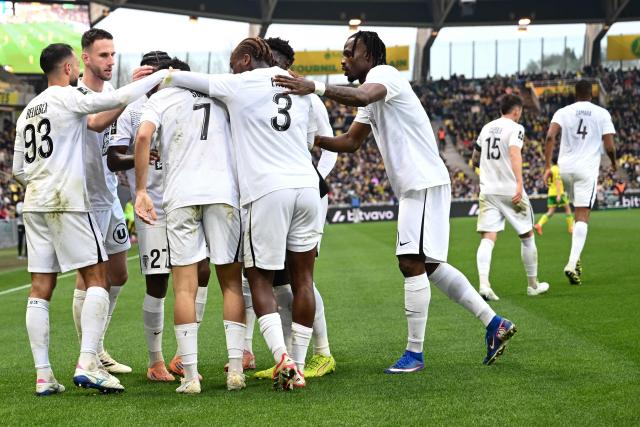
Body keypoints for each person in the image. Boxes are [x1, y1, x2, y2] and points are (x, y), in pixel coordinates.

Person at [273, 31, 516, 371]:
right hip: (419, 185)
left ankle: (415, 354)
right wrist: (306, 138)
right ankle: (495, 324)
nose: (343, 59)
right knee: (429, 266)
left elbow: (360, 96)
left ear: (369, 56)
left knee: (410, 262)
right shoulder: (372, 97)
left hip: (423, 183)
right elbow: (350, 142)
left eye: (349, 52)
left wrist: (314, 87)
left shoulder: (382, 76)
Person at [164, 37, 322, 390]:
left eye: (234, 63)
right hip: (307, 187)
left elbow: (186, 80)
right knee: (303, 280)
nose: (230, 70)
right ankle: (297, 362)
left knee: (258, 277)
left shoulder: (240, 82)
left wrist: (165, 73)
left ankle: (282, 358)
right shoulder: (299, 86)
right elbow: (312, 140)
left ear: (246, 59)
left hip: (267, 190)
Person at [12, 43, 167, 395]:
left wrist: (42, 180)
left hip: (35, 203)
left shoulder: (26, 112)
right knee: (98, 277)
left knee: (40, 288)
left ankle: (44, 375)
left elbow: (19, 169)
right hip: (68, 199)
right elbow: (100, 108)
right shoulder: (66, 96)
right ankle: (88, 363)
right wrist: (147, 80)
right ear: (69, 68)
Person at [135, 57, 245, 393]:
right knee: (230, 283)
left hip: (181, 195)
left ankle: (191, 376)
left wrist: (141, 190)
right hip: (223, 192)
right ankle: (236, 371)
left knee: (184, 286)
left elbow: (142, 137)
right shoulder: (220, 94)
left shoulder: (161, 97)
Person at [107, 51, 212, 382]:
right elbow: (113, 158)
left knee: (203, 272)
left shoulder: (187, 102)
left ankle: (184, 354)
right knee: (158, 281)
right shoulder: (133, 109)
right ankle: (155, 362)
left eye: (158, 72)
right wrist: (141, 157)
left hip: (188, 199)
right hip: (153, 206)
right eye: (147, 72)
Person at [251, 37, 337, 380]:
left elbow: (328, 144)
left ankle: (323, 352)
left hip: (307, 189)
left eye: (272, 61)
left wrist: (317, 177)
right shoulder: (260, 94)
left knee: (302, 275)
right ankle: (288, 355)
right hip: (281, 188)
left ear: (284, 64)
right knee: (281, 279)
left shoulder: (306, 95)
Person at [72, 28, 131, 374]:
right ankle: (89, 355)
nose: (110, 61)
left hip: (109, 195)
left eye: (113, 54)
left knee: (119, 274)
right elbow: (94, 123)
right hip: (84, 199)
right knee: (90, 277)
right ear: (86, 58)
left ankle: (97, 347)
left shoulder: (111, 91)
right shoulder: (73, 94)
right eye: (103, 55)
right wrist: (128, 98)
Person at [471, 94, 549, 301]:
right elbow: (515, 153)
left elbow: (475, 158)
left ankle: (484, 284)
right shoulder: (516, 128)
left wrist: (489, 170)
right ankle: (533, 285)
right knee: (527, 236)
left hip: (488, 191)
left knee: (488, 238)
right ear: (516, 111)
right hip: (510, 190)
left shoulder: (486, 128)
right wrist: (519, 183)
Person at [544, 80, 617, 285]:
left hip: (565, 170)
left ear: (574, 94)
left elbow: (550, 136)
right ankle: (572, 261)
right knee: (583, 215)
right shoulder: (602, 113)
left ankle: (576, 259)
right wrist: (613, 162)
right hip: (586, 170)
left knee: (578, 215)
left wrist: (547, 166)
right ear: (591, 94)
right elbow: (609, 146)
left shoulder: (563, 112)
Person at [534, 163, 574, 235]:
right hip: (559, 193)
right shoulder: (558, 169)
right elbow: (558, 182)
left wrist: (546, 182)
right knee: (568, 209)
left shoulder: (551, 169)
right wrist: (558, 195)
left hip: (551, 193)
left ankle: (539, 224)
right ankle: (571, 228)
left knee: (550, 212)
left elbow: (545, 177)